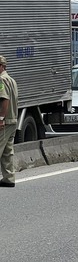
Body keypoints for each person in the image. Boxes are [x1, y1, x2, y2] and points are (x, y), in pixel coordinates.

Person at [0, 55, 18, 188]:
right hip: (13, 120)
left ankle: (9, 178)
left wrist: (1, 118)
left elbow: (4, 99)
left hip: (4, 121)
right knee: (7, 151)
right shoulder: (11, 80)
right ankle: (9, 178)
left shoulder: (1, 80)